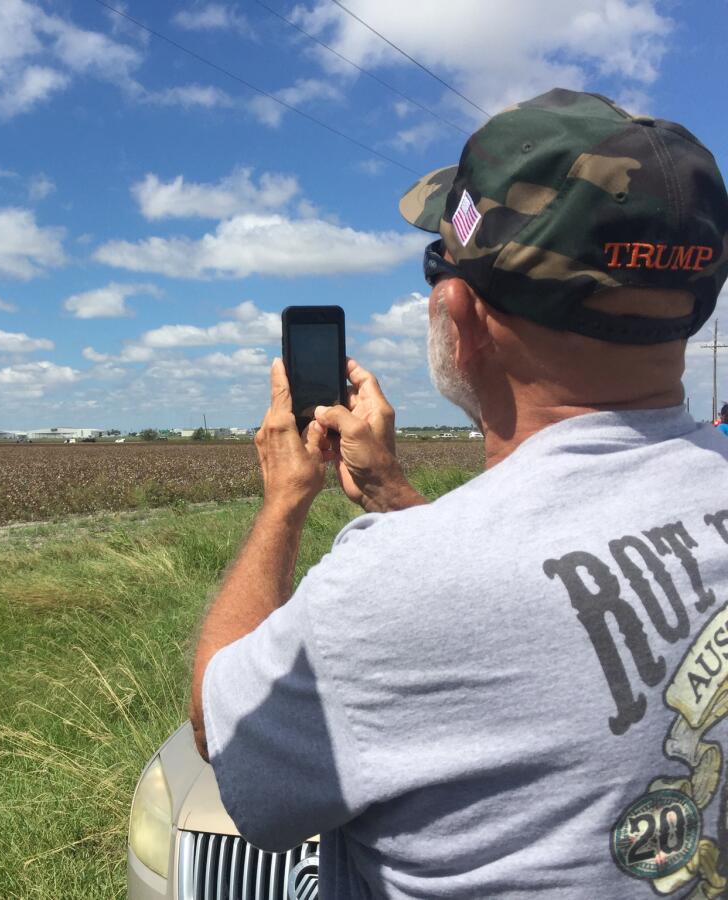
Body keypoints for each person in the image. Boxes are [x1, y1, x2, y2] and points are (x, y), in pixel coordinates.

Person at [189, 88, 728, 899]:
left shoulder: (385, 589)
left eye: (436, 265)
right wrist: (396, 493)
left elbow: (222, 731)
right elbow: (537, 591)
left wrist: (284, 500)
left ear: (459, 311)